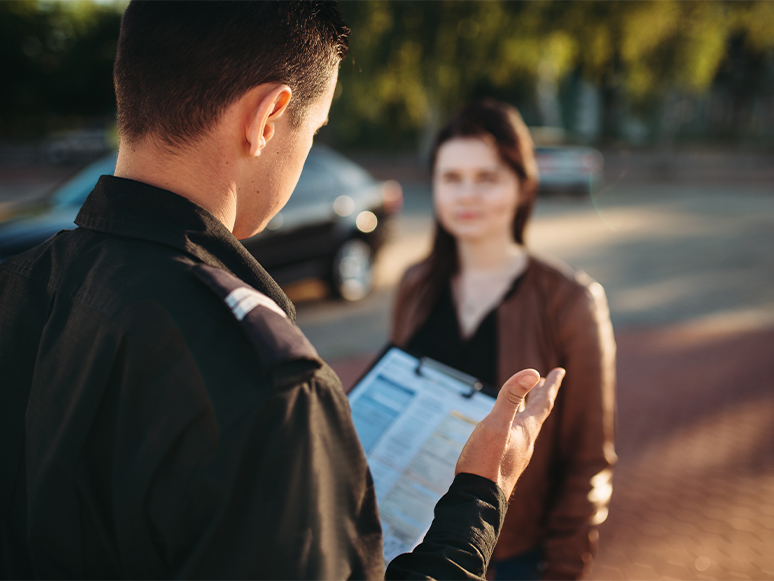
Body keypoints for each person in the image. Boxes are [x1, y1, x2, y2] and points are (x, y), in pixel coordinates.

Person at [0, 4, 565, 579]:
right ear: (268, 117)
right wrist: (477, 498)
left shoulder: (15, 284)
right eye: (314, 131)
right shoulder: (271, 385)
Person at [391, 100, 617, 580]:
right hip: (410, 543)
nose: (466, 194)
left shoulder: (571, 301)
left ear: (523, 186)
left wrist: (560, 570)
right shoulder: (414, 285)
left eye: (487, 177)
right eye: (451, 178)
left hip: (515, 554)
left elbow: (588, 461)